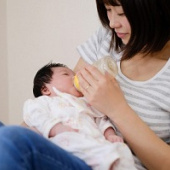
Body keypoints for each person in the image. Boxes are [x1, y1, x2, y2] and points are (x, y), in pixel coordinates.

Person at [0, 0, 170, 169]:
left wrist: (117, 108)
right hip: (66, 152)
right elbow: (64, 100)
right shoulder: (108, 37)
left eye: (121, 13)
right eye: (107, 10)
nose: (112, 23)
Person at [23, 62, 136, 170]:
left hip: (95, 142)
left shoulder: (86, 102)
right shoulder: (45, 102)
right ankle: (105, 162)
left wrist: (109, 134)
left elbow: (101, 119)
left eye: (74, 74)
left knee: (121, 148)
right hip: (65, 140)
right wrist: (56, 128)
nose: (75, 77)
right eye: (66, 74)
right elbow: (34, 115)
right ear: (45, 89)